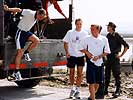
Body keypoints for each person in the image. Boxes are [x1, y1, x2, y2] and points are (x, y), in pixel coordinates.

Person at [4, 5, 47, 80]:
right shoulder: (29, 12)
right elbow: (18, 9)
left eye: (42, 18)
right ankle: (16, 72)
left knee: (36, 40)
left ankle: (26, 52)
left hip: (27, 32)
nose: (40, 19)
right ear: (37, 13)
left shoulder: (37, 17)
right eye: (40, 17)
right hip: (20, 33)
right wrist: (8, 9)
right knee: (19, 52)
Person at [79, 24, 110, 100]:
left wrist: (99, 56)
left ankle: (91, 96)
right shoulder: (86, 38)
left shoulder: (104, 39)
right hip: (90, 62)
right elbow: (80, 48)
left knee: (98, 83)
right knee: (91, 82)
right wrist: (87, 53)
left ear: (98, 30)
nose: (91, 30)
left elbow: (107, 52)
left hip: (100, 62)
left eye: (93, 29)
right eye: (91, 29)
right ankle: (93, 98)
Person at [63, 18, 88, 99]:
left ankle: (77, 90)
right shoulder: (70, 33)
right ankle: (72, 89)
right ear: (75, 24)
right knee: (72, 73)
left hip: (80, 56)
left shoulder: (85, 33)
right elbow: (65, 42)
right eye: (78, 24)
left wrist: (85, 54)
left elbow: (87, 45)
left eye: (80, 24)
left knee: (80, 74)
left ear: (82, 24)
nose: (79, 25)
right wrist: (67, 52)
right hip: (72, 56)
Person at [104, 22, 129, 97]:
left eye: (108, 26)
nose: (107, 28)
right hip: (108, 58)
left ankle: (118, 91)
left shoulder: (117, 35)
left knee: (116, 75)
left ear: (112, 27)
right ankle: (105, 90)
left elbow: (126, 46)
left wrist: (121, 55)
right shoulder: (108, 36)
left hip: (115, 58)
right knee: (107, 74)